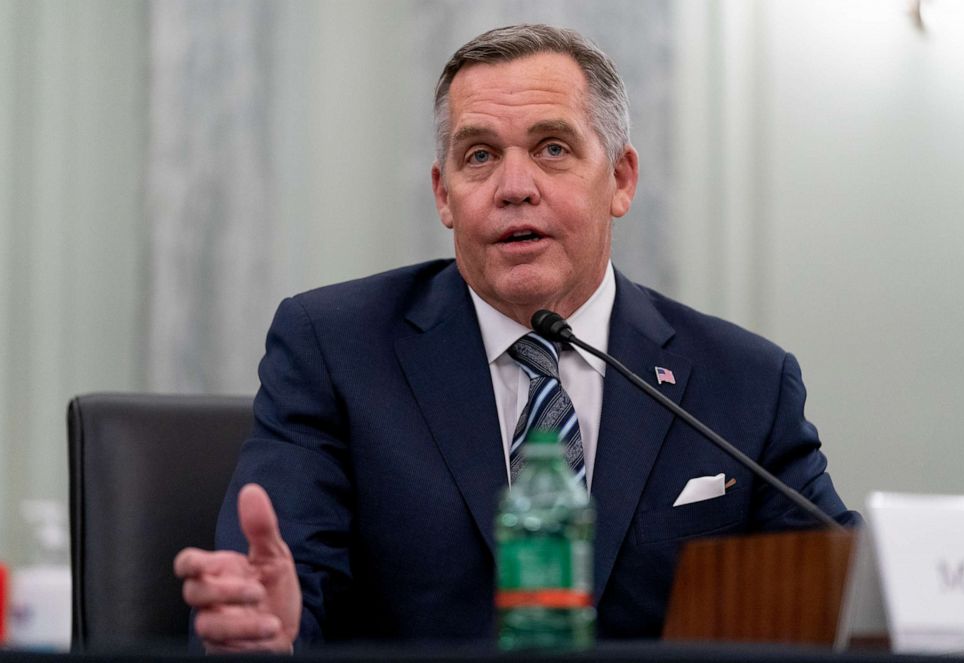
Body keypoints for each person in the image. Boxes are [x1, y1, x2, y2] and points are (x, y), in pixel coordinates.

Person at [174, 24, 860, 654]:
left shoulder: (743, 380)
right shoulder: (334, 350)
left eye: (551, 148)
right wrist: (267, 625)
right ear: (445, 195)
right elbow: (286, 574)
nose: (514, 187)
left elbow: (842, 597)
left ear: (620, 178)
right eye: (480, 156)